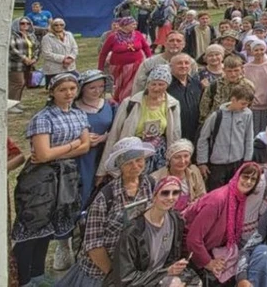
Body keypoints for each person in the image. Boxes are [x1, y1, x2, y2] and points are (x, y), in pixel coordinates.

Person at [11, 72, 90, 283]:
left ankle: (38, 274)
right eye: (62, 90)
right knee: (33, 227)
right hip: (40, 180)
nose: (68, 93)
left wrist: (58, 151)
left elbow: (85, 146)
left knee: (50, 227)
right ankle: (22, 278)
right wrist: (72, 144)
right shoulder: (43, 118)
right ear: (52, 92)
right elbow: (43, 155)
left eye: (72, 89)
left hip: (66, 177)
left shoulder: (78, 115)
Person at [59, 137, 156, 287]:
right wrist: (113, 275)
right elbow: (93, 244)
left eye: (139, 160)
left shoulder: (149, 184)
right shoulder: (105, 196)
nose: (135, 166)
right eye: (129, 162)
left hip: (132, 266)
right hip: (101, 272)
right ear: (120, 166)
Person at [183, 162, 263, 285]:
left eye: (253, 179)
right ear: (237, 176)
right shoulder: (218, 200)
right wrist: (208, 263)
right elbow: (193, 238)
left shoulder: (239, 199)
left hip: (212, 249)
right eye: (245, 176)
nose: (248, 182)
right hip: (192, 253)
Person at [114, 175, 200, 286]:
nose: (170, 198)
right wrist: (166, 272)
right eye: (165, 193)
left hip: (163, 276)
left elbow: (172, 258)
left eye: (175, 193)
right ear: (154, 196)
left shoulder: (176, 220)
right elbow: (126, 278)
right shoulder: (133, 231)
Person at [99, 65, 182, 179]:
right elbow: (115, 133)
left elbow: (175, 133)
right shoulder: (130, 102)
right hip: (134, 152)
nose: (156, 88)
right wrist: (103, 170)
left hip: (159, 154)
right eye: (153, 84)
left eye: (161, 84)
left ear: (167, 85)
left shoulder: (173, 104)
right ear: (147, 84)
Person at [197, 82, 256, 190]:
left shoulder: (247, 114)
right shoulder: (216, 116)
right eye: (243, 103)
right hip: (217, 163)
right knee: (216, 193)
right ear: (233, 99)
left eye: (247, 104)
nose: (245, 107)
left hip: (237, 161)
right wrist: (202, 162)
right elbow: (203, 139)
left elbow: (249, 138)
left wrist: (247, 160)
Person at [74, 69, 116, 208]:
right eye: (92, 87)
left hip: (103, 153)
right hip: (80, 156)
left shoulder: (110, 105)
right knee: (82, 186)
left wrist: (104, 138)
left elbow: (118, 130)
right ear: (82, 88)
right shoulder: (73, 108)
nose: (97, 91)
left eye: (101, 87)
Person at [99, 16, 152, 103]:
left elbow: (146, 47)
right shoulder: (113, 37)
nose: (135, 25)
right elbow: (103, 53)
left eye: (135, 24)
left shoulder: (138, 34)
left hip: (136, 66)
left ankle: (131, 101)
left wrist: (150, 60)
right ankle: (120, 103)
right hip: (119, 67)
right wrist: (100, 68)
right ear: (124, 25)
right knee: (120, 87)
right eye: (132, 24)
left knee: (133, 86)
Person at [153, 138, 207, 211]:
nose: (182, 161)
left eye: (186, 156)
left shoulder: (194, 171)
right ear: (169, 160)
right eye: (177, 157)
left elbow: (202, 195)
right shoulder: (156, 177)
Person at [167, 52, 204, 145]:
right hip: (175, 132)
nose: (183, 66)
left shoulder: (197, 84)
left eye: (186, 63)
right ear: (171, 66)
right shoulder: (166, 86)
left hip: (196, 132)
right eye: (179, 63)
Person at [40, 17, 79, 85]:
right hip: (54, 70)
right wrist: (63, 59)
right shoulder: (47, 38)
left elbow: (75, 48)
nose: (59, 26)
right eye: (56, 25)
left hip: (69, 67)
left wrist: (71, 58)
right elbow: (47, 54)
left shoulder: (69, 35)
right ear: (52, 26)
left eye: (61, 25)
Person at [8, 16, 38, 105]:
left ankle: (17, 102)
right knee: (17, 83)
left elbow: (37, 48)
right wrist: (24, 58)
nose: (25, 25)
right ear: (16, 24)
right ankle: (11, 104)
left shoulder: (31, 35)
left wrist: (34, 59)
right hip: (16, 64)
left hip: (29, 64)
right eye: (22, 23)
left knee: (23, 83)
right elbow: (11, 49)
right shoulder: (12, 35)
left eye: (27, 23)